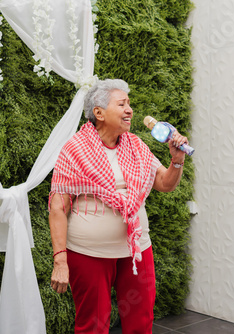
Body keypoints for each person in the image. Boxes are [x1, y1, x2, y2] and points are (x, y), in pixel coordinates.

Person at [48, 79, 188, 334]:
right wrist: (60, 260)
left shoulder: (136, 145)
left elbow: (164, 183)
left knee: (140, 322)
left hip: (137, 250)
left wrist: (176, 162)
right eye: (121, 104)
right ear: (99, 113)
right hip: (88, 252)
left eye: (129, 104)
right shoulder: (74, 150)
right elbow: (58, 207)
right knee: (92, 325)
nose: (129, 110)